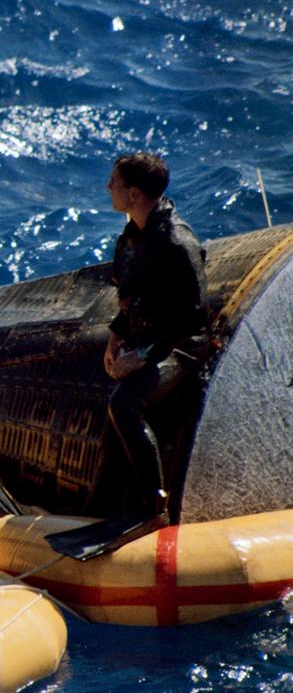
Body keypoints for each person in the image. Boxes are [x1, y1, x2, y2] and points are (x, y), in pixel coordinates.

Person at [103, 153, 209, 520]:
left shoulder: (177, 243)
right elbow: (137, 297)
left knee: (124, 405)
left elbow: (194, 318)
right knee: (110, 417)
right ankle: (109, 505)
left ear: (133, 193)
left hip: (181, 346)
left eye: (114, 182)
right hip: (149, 338)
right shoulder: (135, 233)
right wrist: (115, 337)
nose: (107, 187)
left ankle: (154, 503)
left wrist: (144, 356)